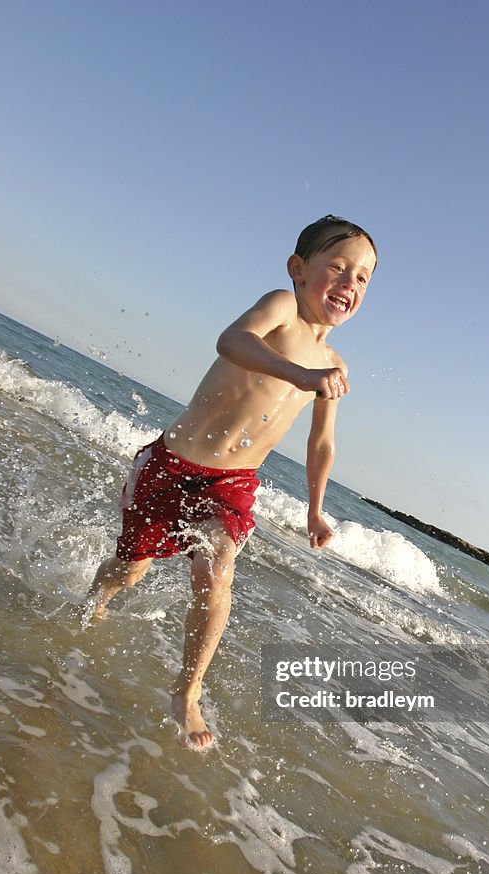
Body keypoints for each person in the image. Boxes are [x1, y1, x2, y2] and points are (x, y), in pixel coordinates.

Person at [89, 214, 377, 749]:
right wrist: (300, 375)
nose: (348, 284)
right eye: (337, 268)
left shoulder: (333, 363)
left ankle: (188, 691)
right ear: (298, 268)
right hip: (171, 465)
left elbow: (320, 442)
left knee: (217, 568)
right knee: (131, 571)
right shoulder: (281, 307)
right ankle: (97, 599)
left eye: (362, 278)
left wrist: (316, 507)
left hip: (233, 482)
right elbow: (231, 340)